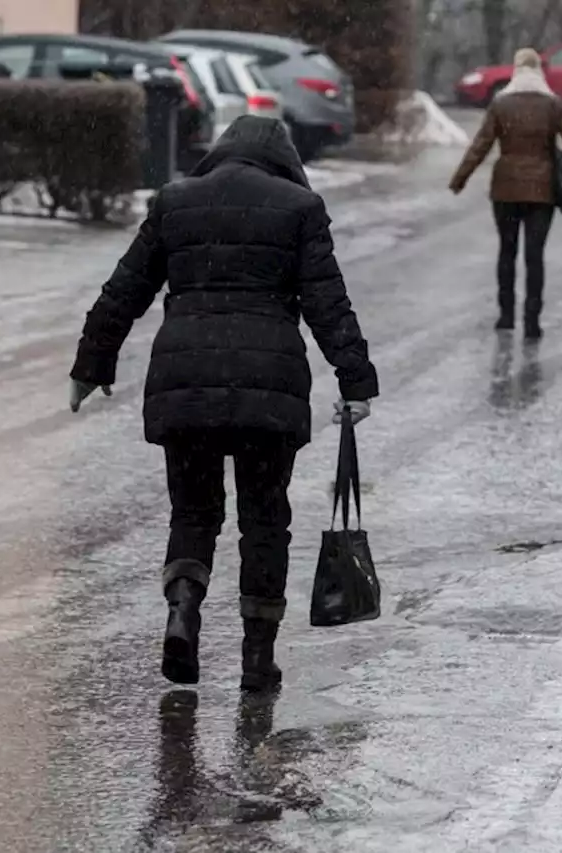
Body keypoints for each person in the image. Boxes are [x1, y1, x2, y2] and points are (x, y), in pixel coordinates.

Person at [68, 116, 379, 692]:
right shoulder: (299, 208)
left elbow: (125, 288)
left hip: (186, 384)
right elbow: (327, 303)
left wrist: (92, 364)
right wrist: (355, 381)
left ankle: (183, 608)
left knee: (193, 513)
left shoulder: (175, 201)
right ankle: (257, 660)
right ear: (283, 160)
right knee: (265, 520)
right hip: (268, 388)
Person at [449, 47, 562, 339]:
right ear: (539, 71)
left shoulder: (500, 104)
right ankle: (532, 320)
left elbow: (481, 144)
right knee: (535, 255)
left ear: (516, 70)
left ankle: (506, 316)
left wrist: (460, 178)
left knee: (507, 251)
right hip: (542, 192)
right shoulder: (553, 105)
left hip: (505, 189)